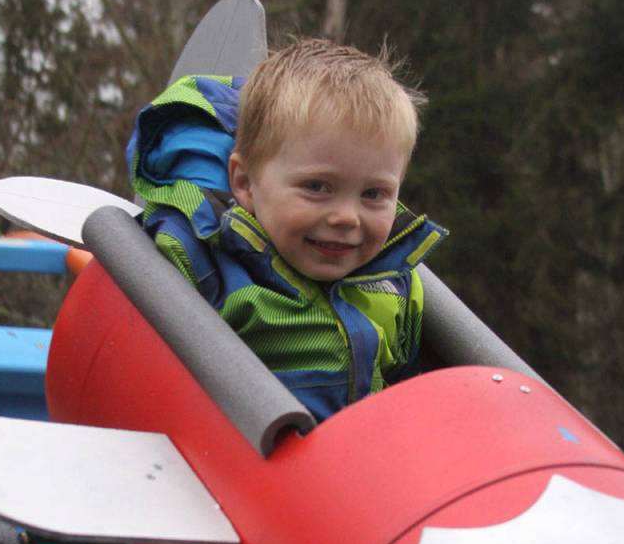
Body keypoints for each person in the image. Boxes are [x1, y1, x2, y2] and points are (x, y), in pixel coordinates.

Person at [128, 37, 446, 421]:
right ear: (245, 183)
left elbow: (408, 394)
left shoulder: (394, 285)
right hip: (235, 463)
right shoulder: (200, 262)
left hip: (354, 467)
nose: (347, 217)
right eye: (317, 187)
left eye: (373, 193)